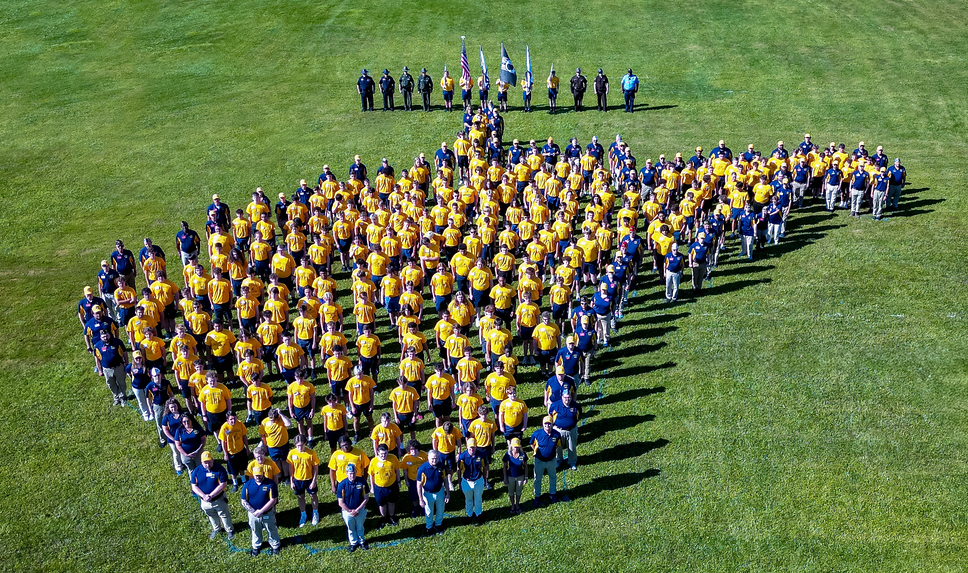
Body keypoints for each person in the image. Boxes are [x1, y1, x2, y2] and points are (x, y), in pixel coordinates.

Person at [190, 451, 235, 541]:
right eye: (205, 462)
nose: (207, 465)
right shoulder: (197, 471)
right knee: (211, 515)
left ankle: (229, 530)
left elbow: (223, 484)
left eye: (209, 462)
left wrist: (211, 495)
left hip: (219, 499)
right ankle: (217, 529)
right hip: (205, 501)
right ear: (201, 462)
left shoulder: (219, 469)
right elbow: (194, 486)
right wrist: (203, 495)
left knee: (224, 515)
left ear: (212, 460)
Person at [240, 465, 281, 556]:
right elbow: (243, 500)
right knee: (255, 530)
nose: (257, 477)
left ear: (263, 473)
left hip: (267, 513)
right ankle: (256, 546)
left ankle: (275, 545)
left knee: (271, 529)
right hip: (253, 514)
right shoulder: (248, 485)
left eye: (259, 475)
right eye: (256, 475)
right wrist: (254, 512)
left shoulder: (270, 484)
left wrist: (261, 511)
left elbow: (273, 500)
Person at [287, 434, 321, 528]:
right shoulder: (292, 453)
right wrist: (291, 480)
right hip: (298, 479)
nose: (300, 447)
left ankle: (315, 512)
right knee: (300, 497)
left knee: (313, 495)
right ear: (295, 445)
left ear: (305, 443)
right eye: (298, 445)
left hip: (309, 479)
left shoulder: (311, 453)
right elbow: (291, 467)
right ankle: (303, 514)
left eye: (301, 445)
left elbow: (315, 467)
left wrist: (314, 481)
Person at [336, 463, 369, 552]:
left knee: (360, 527)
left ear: (356, 472)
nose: (352, 475)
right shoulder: (342, 485)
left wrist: (357, 510)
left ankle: (362, 541)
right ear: (346, 473)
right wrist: (350, 511)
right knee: (351, 528)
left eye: (353, 473)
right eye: (350, 473)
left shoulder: (362, 482)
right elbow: (340, 502)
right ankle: (353, 542)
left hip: (360, 510)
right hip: (347, 511)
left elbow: (366, 498)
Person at [416, 450, 449, 535]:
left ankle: (438, 525)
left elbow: (445, 480)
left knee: (440, 510)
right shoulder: (422, 469)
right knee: (429, 512)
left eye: (436, 458)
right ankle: (429, 527)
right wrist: (420, 499)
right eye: (432, 459)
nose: (434, 460)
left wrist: (447, 494)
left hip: (440, 492)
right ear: (428, 458)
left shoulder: (441, 466)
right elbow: (418, 485)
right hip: (427, 494)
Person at [367, 443, 401, 526]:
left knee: (391, 501)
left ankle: (392, 516)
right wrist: (372, 487)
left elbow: (397, 470)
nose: (383, 455)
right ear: (378, 452)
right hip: (379, 487)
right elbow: (371, 475)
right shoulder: (374, 461)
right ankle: (384, 517)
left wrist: (398, 481)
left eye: (385, 453)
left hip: (392, 485)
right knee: (381, 504)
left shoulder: (393, 458)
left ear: (387, 452)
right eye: (381, 454)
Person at [530, 416, 561, 506]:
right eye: (545, 424)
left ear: (552, 424)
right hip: (539, 461)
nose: (547, 425)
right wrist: (537, 451)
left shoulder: (557, 434)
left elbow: (558, 444)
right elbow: (532, 444)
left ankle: (553, 493)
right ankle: (537, 495)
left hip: (551, 461)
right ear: (542, 424)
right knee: (537, 478)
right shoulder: (537, 434)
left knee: (553, 477)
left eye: (549, 424)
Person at [93, 328, 128, 405]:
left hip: (118, 367)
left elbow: (125, 353)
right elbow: (97, 359)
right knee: (110, 384)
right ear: (100, 337)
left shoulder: (117, 342)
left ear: (109, 335)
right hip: (106, 369)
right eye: (103, 337)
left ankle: (123, 397)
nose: (105, 338)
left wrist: (126, 363)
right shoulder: (97, 346)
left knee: (121, 382)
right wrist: (100, 370)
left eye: (106, 336)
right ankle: (116, 397)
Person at [549, 389, 581, 472]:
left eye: (569, 397)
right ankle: (558, 460)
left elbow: (578, 415)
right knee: (557, 446)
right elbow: (550, 415)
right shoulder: (555, 405)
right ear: (562, 397)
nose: (567, 399)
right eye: (565, 397)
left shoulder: (576, 406)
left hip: (571, 430)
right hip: (558, 430)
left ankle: (572, 462)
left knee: (572, 446)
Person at [218, 412, 250, 492]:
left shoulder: (240, 424)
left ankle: (243, 480)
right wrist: (225, 454)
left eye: (235, 418)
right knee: (233, 470)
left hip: (240, 450)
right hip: (231, 453)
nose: (233, 421)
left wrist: (247, 448)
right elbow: (223, 442)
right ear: (227, 420)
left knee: (242, 467)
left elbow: (244, 436)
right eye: (231, 419)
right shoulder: (224, 427)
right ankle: (235, 483)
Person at [457, 438, 486, 525]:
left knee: (478, 498)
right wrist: (459, 482)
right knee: (468, 499)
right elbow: (459, 469)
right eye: (470, 448)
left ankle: (478, 514)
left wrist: (485, 479)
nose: (472, 450)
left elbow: (484, 467)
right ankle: (469, 514)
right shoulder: (462, 457)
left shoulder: (481, 455)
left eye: (473, 447)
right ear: (467, 447)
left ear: (476, 447)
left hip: (478, 480)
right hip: (467, 481)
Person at [502, 438, 529, 514]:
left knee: (518, 491)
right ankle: (512, 505)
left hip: (520, 476)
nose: (516, 449)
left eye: (517, 447)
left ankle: (517, 505)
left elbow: (526, 466)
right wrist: (505, 477)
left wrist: (526, 477)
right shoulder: (507, 455)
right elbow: (504, 467)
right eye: (514, 447)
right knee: (511, 492)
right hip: (510, 476)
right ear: (511, 447)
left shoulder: (523, 454)